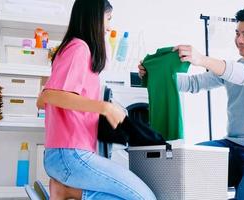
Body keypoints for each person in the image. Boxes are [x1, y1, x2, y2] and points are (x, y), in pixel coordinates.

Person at [139, 7, 244, 200]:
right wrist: (154, 75)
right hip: (232, 145)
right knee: (183, 164)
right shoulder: (231, 68)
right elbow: (193, 84)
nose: (239, 40)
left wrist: (201, 59)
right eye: (237, 33)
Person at [37, 0, 156, 199]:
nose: (109, 27)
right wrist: (105, 108)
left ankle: (69, 191)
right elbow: (47, 97)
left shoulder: (78, 50)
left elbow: (44, 100)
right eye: (108, 19)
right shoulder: (78, 48)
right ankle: (68, 191)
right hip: (69, 154)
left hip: (69, 154)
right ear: (94, 17)